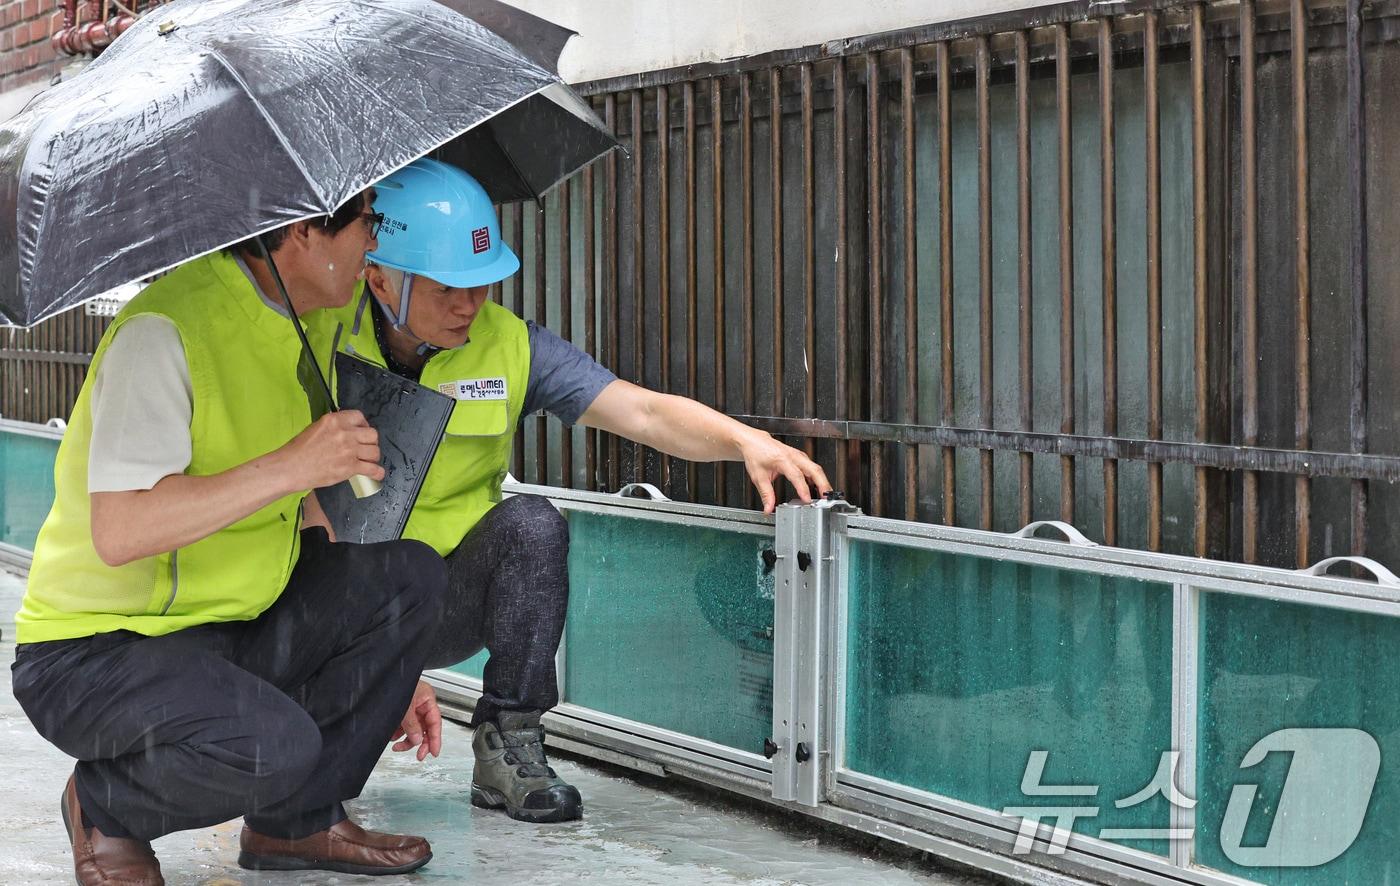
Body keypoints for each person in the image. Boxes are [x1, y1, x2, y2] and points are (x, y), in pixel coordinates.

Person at [308, 158, 831, 824]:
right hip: (334, 600)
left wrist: (743, 441)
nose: (470, 304)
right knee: (307, 785)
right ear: (378, 276)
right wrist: (374, 648)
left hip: (448, 595)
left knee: (533, 523)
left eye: (484, 283)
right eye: (447, 289)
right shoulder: (318, 341)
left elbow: (639, 412)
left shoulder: (509, 346)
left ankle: (510, 742)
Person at [10, 193, 449, 885]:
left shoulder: (308, 320)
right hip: (97, 653)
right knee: (273, 747)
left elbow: (301, 508)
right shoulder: (165, 330)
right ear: (304, 230)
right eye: (369, 225)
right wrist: (295, 463)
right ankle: (105, 808)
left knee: (405, 579)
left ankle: (294, 825)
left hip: (228, 625)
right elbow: (122, 530)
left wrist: (382, 662)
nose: (375, 245)